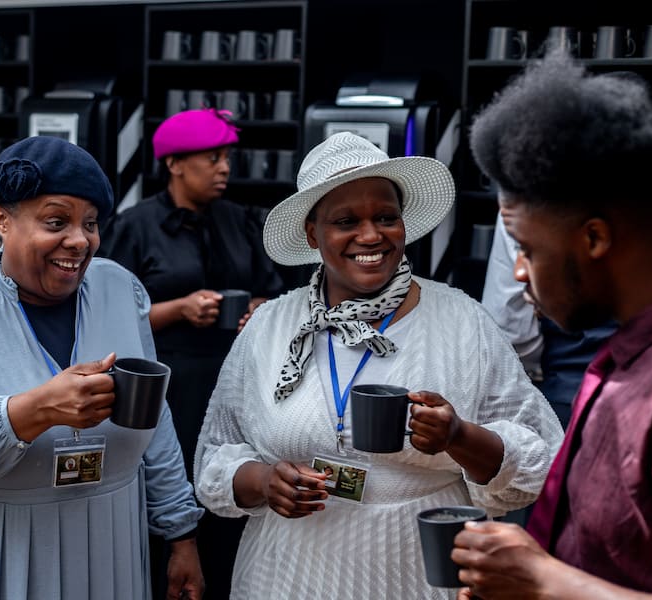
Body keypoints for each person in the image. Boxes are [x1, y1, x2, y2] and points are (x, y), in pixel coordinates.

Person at [194, 131, 563, 599]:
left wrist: (458, 437)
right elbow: (214, 458)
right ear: (313, 234)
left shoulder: (462, 320)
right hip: (287, 575)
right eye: (346, 220)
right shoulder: (270, 326)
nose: (371, 235)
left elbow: (540, 459)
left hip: (417, 572)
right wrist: (263, 482)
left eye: (386, 217)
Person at [0, 136, 204, 599]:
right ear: (1, 219)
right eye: (56, 221)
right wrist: (31, 412)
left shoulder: (121, 289)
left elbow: (156, 422)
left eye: (91, 223)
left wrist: (181, 534)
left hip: (108, 540)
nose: (79, 240)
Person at [451, 50, 652, 598]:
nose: (519, 271)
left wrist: (543, 579)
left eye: (526, 249)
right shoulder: (621, 361)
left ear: (593, 239)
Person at [98, 107, 283, 599]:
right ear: (175, 163)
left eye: (228, 157)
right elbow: (108, 320)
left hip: (239, 382)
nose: (225, 167)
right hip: (168, 389)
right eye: (213, 158)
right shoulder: (134, 227)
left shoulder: (241, 221)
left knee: (228, 495)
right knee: (167, 491)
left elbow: (275, 296)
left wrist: (254, 312)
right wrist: (179, 308)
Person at [482, 190, 616, 430]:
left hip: (566, 392)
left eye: (527, 251)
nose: (521, 271)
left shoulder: (525, 188)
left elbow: (511, 329)